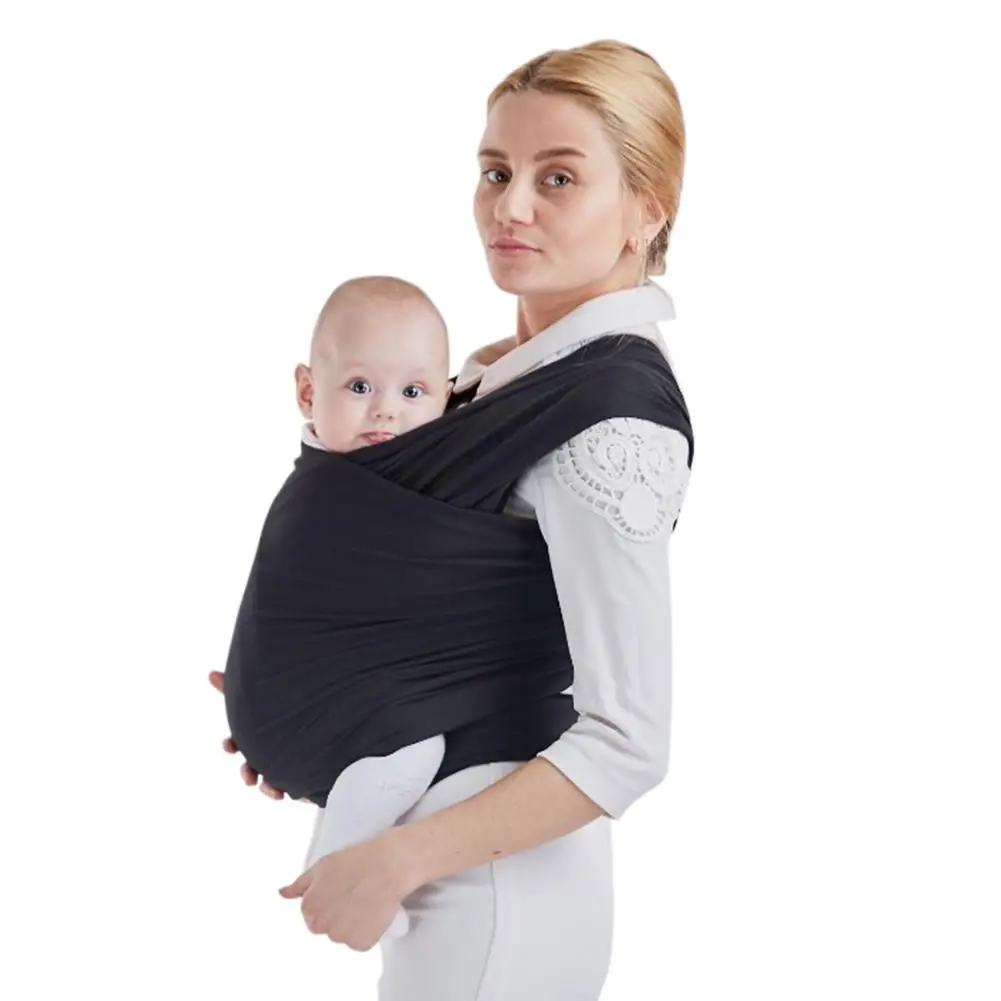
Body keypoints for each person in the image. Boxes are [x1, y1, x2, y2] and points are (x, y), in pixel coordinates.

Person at [211, 38, 693, 1001]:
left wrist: (395, 860)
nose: (510, 207)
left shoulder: (609, 422)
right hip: (449, 848)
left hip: (492, 885)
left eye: (558, 178)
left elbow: (628, 740)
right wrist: (326, 691)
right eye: (496, 171)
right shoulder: (487, 380)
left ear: (646, 209)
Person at [223, 274, 454, 942]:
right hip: (294, 708)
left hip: (296, 708)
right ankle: (339, 864)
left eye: (413, 392)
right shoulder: (333, 490)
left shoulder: (349, 478)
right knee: (419, 745)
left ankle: (338, 838)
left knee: (402, 747)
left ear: (446, 397)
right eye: (359, 387)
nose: (385, 412)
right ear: (307, 391)